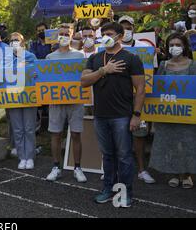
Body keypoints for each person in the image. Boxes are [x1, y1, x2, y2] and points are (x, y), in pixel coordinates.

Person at [81, 22, 146, 208]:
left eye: (109, 33)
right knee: (107, 155)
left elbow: (140, 89)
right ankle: (108, 189)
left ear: (120, 35)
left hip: (122, 116)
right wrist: (103, 71)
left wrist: (136, 115)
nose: (105, 37)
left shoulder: (131, 58)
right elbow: (84, 81)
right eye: (103, 34)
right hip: (100, 115)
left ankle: (125, 192)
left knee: (124, 156)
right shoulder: (95, 58)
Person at [149, 33, 196, 189]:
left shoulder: (192, 65)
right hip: (168, 112)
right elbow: (156, 87)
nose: (174, 48)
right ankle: (174, 174)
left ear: (184, 47)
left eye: (178, 45)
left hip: (187, 113)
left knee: (188, 143)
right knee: (170, 143)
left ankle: (187, 174)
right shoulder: (163, 65)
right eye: (171, 45)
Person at [45, 24, 87, 183]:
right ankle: (56, 167)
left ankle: (77, 167)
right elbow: (45, 79)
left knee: (76, 133)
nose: (63, 36)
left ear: (71, 36)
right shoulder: (50, 57)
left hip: (76, 101)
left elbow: (85, 75)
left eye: (66, 34)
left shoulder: (80, 55)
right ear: (57, 36)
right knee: (55, 133)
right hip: (56, 100)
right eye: (61, 34)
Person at [118, 15, 156, 184]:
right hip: (118, 99)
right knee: (117, 134)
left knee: (139, 134)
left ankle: (141, 169)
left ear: (134, 29)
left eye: (129, 27)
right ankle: (115, 169)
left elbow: (152, 70)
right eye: (122, 27)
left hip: (139, 98)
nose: (126, 31)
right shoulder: (112, 48)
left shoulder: (143, 47)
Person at [5, 32, 38, 170]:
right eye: (12, 40)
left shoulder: (31, 56)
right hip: (12, 98)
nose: (14, 42)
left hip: (29, 96)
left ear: (23, 42)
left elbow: (37, 73)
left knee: (29, 128)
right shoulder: (5, 59)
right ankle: (21, 157)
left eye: (17, 40)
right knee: (17, 129)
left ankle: (29, 157)